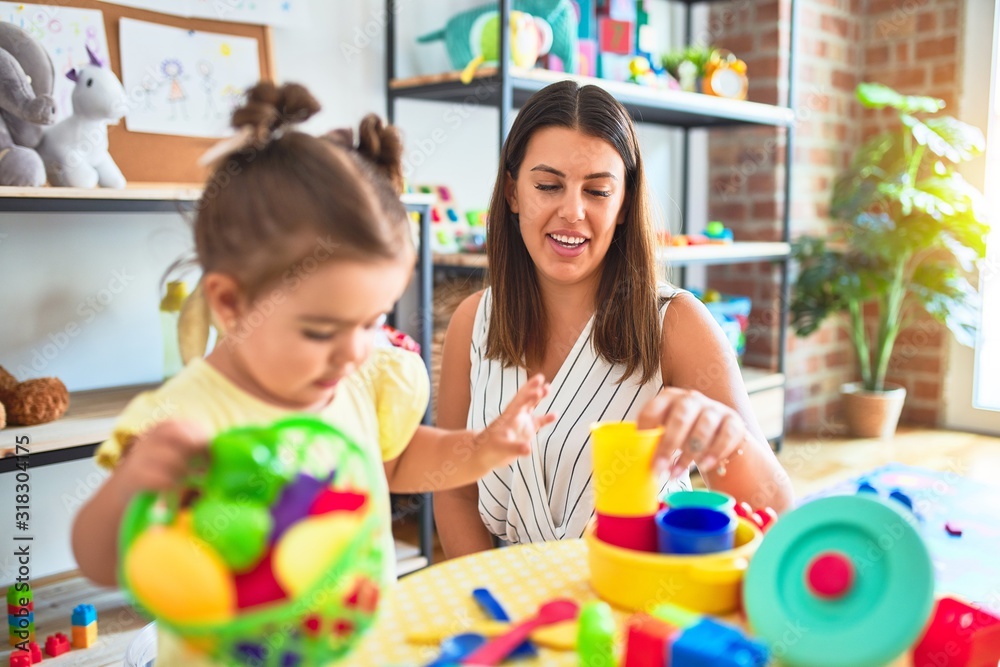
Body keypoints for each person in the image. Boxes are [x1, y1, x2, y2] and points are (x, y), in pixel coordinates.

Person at [71, 82, 553, 663]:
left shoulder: (353, 378)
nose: (354, 351)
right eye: (322, 330)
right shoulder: (187, 414)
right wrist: (136, 483)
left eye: (373, 321)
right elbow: (97, 558)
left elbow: (394, 463)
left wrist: (480, 448)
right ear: (231, 304)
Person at [434, 80, 793, 557]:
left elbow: (780, 517)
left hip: (647, 602)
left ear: (624, 204)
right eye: (548, 186)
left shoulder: (676, 322)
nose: (572, 211)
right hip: (515, 608)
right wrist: (491, 602)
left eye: (598, 191)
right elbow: (454, 489)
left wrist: (725, 442)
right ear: (513, 193)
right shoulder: (472, 323)